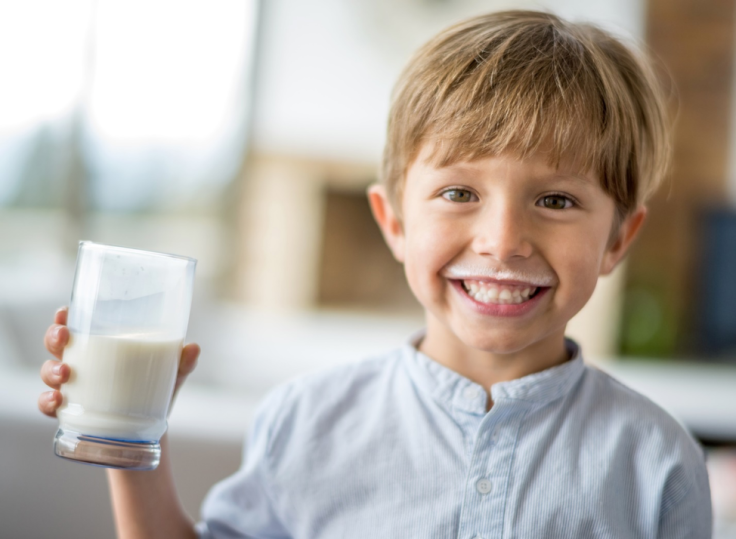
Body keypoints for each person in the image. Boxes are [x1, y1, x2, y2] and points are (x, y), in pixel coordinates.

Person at [38, 10, 712, 539]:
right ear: (393, 221)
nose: (503, 241)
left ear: (619, 237)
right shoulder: (304, 421)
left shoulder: (656, 459)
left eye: (556, 200)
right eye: (458, 193)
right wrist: (130, 432)